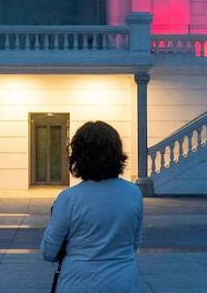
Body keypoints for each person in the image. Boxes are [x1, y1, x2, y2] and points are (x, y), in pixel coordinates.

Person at [40, 121, 143, 293]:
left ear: (78, 156)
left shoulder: (68, 198)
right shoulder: (133, 193)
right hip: (124, 281)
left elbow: (48, 251)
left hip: (78, 282)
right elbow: (134, 243)